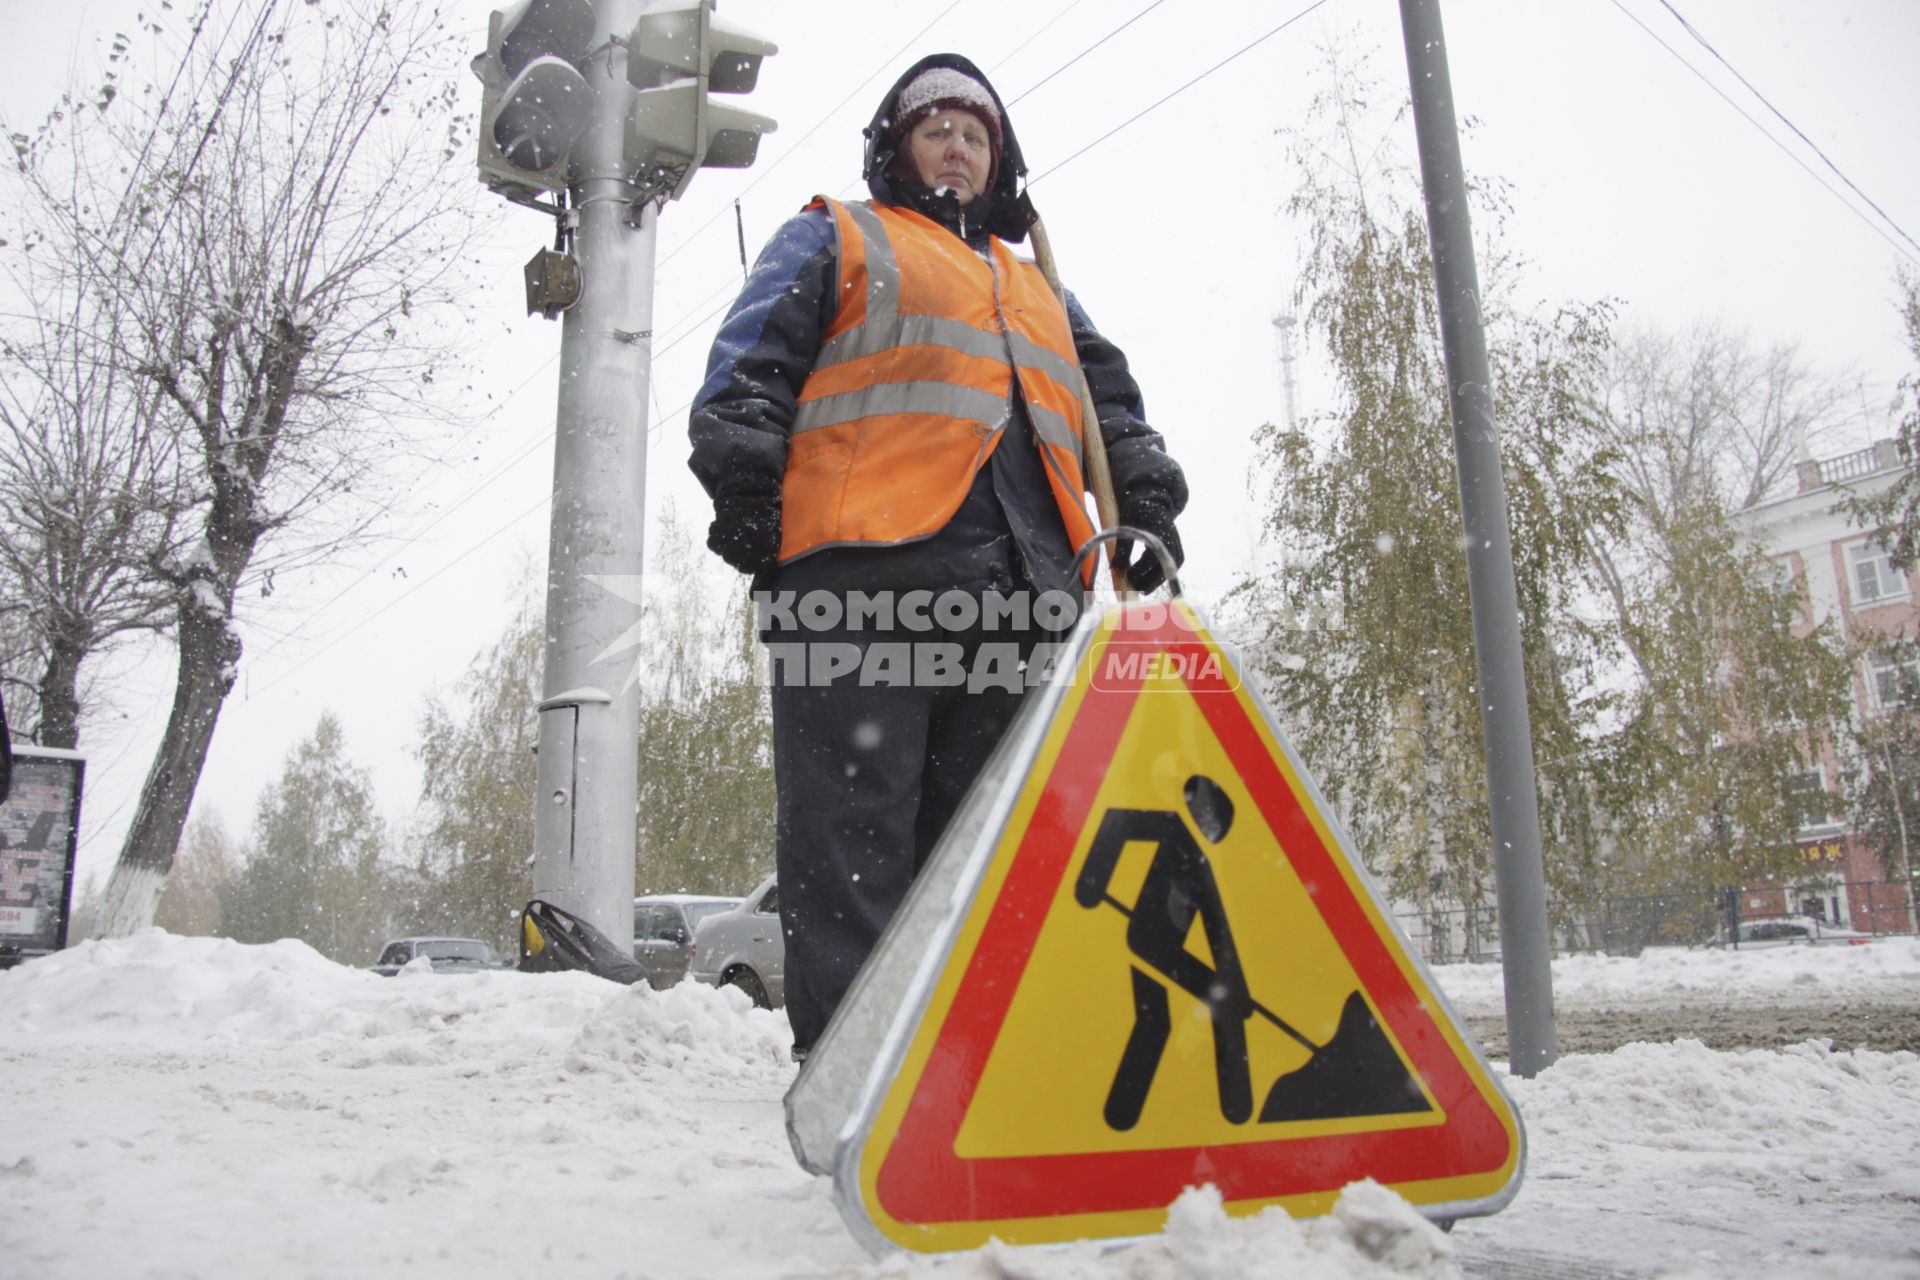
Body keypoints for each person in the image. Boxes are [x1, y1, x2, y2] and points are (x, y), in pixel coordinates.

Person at [687, 53, 1187, 1059]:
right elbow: (747, 368)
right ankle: (858, 1086)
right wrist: (745, 484)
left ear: (998, 164)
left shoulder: (1040, 285)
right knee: (852, 842)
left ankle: (972, 1082)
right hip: (862, 582)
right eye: (936, 129)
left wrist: (1144, 501)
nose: (957, 144)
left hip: (1025, 591)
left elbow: (1110, 410)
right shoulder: (839, 233)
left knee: (992, 849)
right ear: (897, 150)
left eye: (976, 134)